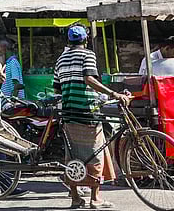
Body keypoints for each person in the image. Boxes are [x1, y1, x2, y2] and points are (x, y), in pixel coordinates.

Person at [54, 25, 130, 210]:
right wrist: (113, 94)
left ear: (69, 41)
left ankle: (75, 198)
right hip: (87, 111)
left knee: (72, 155)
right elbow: (89, 79)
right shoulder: (87, 55)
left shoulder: (61, 59)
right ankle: (95, 199)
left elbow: (57, 88)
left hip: (69, 113)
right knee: (95, 153)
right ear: (85, 40)